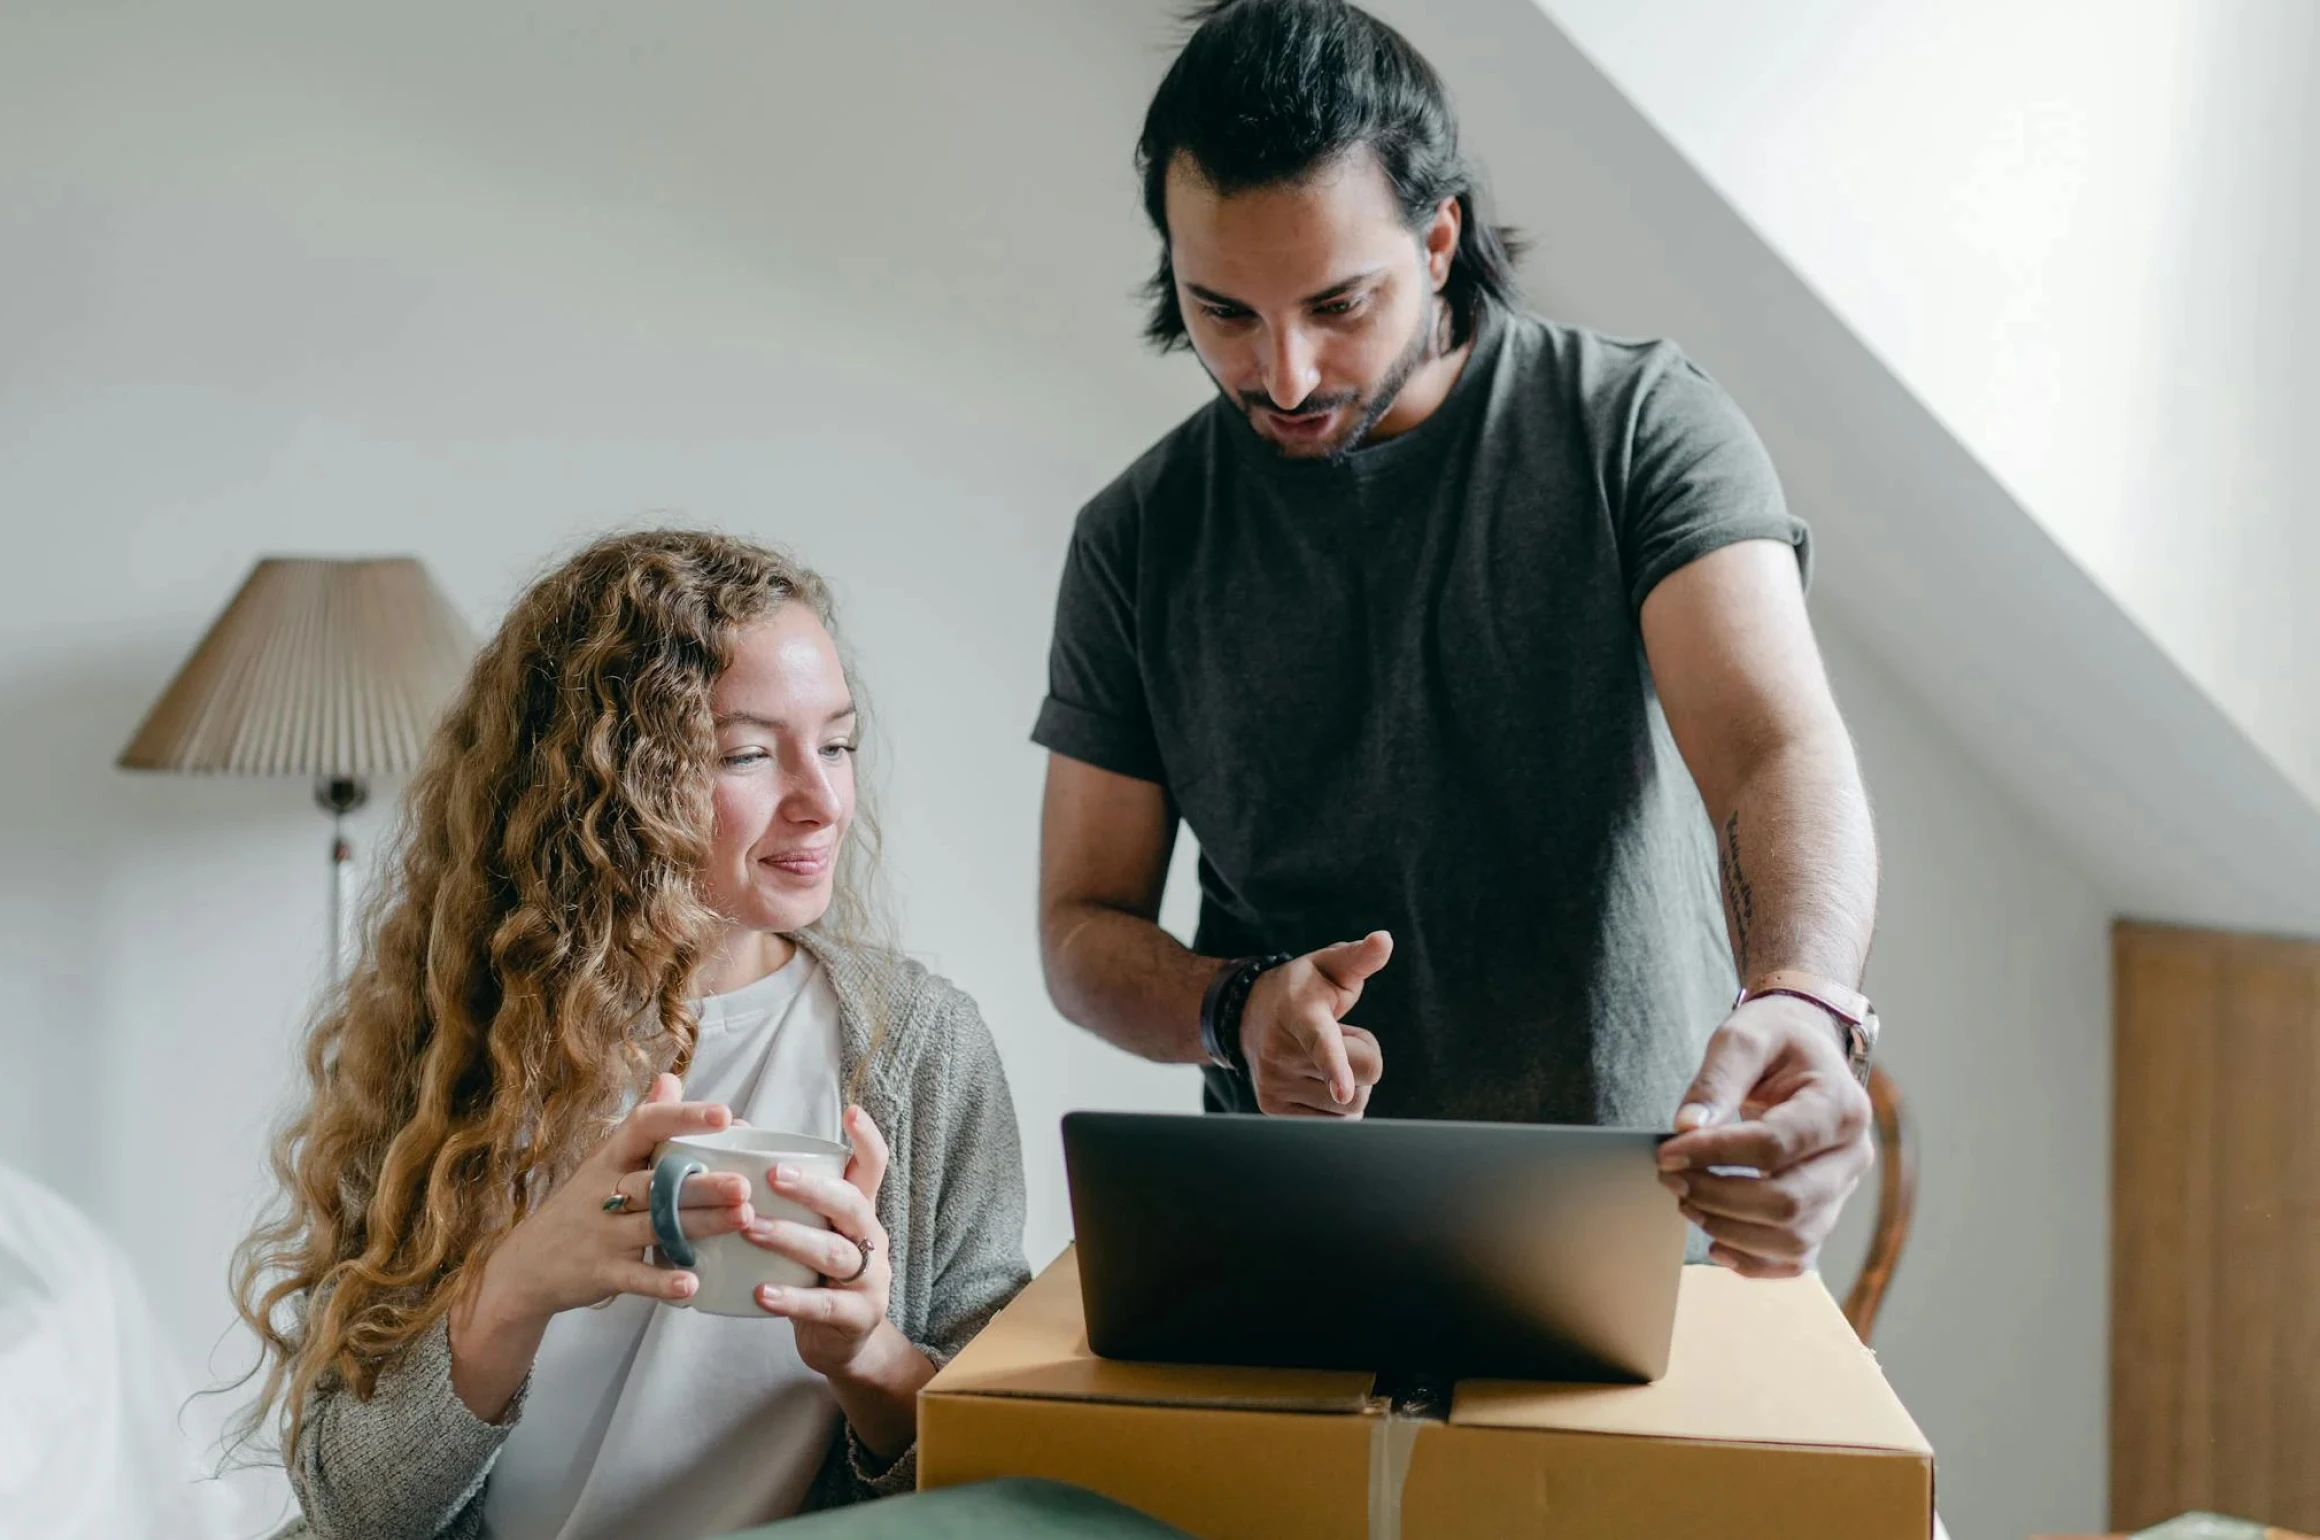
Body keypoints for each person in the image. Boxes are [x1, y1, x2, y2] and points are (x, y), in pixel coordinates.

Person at [1034, 0, 1880, 1279]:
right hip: (1297, 1242)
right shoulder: (1137, 537)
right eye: (1224, 313)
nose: (1288, 373)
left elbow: (1774, 748)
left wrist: (1802, 1002)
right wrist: (1233, 1007)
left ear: (1439, 238)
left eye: (1338, 303)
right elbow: (1081, 926)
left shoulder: (1638, 428)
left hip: (1645, 1222)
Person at [232, 531, 1029, 1539]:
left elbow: (1005, 1478)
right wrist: (516, 1284)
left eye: (837, 742)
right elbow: (351, 1509)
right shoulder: (456, 1045)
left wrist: (867, 1351)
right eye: (747, 753)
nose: (822, 800)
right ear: (605, 791)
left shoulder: (916, 1050)